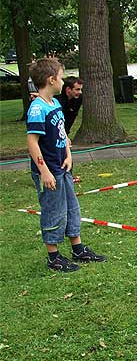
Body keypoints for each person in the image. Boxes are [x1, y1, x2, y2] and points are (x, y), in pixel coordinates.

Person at [26, 58, 106, 272]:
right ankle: (53, 257)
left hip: (63, 167)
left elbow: (63, 135)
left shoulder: (56, 104)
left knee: (72, 207)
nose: (63, 81)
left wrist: (69, 155)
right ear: (51, 79)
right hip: (49, 171)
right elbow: (32, 142)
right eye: (61, 77)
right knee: (54, 211)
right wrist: (44, 172)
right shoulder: (37, 108)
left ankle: (77, 248)